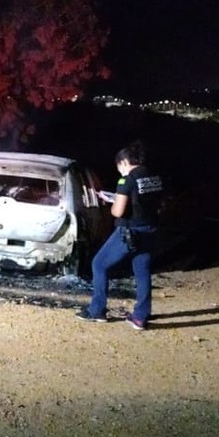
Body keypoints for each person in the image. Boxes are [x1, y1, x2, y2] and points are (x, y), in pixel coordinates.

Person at [76, 140, 164, 329]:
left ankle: (96, 311)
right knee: (142, 272)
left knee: (99, 264)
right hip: (149, 230)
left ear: (123, 162)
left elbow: (118, 211)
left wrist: (113, 201)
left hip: (129, 232)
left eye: (119, 168)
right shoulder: (153, 177)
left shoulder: (127, 179)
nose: (120, 172)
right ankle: (140, 317)